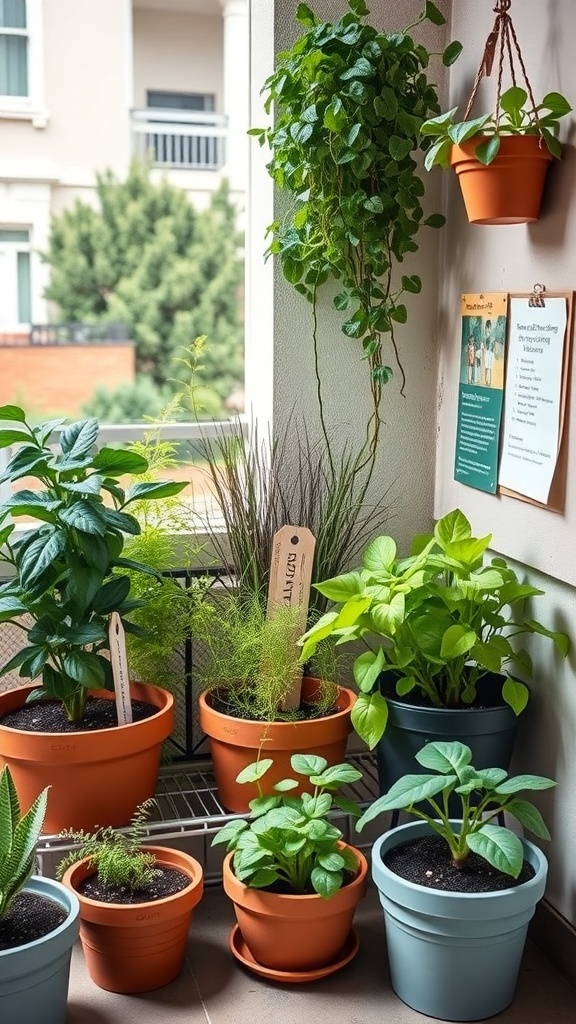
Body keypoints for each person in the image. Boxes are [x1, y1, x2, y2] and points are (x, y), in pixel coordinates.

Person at [484, 319, 493, 387]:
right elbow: (485, 345)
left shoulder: (490, 336)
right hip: (487, 352)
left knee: (489, 367)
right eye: (488, 328)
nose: (489, 329)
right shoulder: (486, 336)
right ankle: (487, 381)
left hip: (490, 352)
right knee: (487, 367)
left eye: (490, 328)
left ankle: (488, 381)